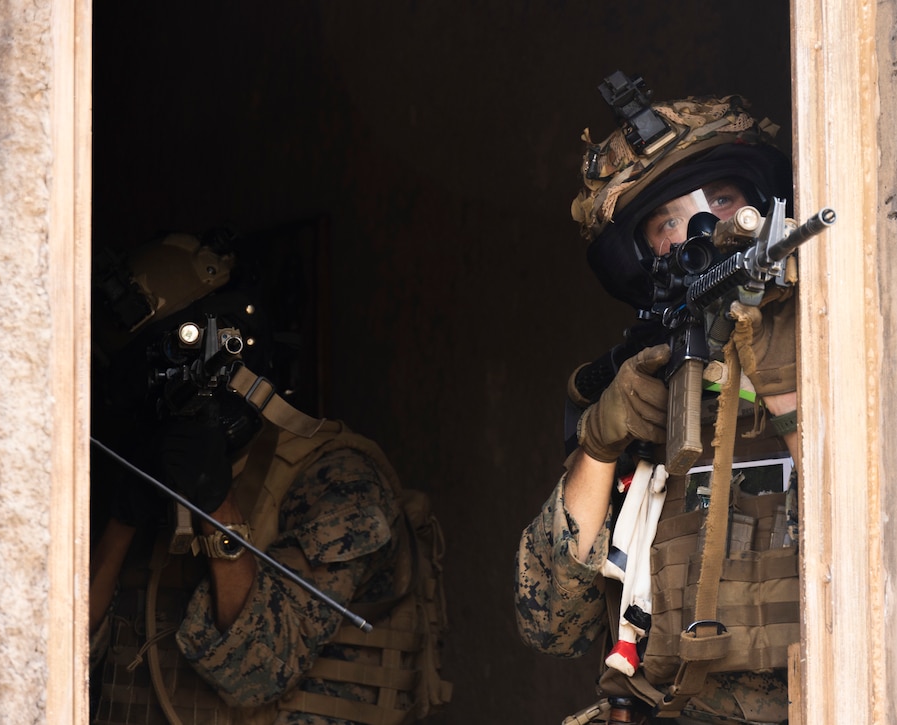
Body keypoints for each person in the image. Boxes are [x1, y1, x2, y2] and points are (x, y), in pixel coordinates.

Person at [515, 80, 803, 724]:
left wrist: (788, 399)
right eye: (668, 222)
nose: (701, 227)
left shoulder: (837, 351)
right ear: (646, 255)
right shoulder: (649, 378)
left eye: (720, 200)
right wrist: (599, 444)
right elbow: (549, 625)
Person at [89, 232, 449, 724]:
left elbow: (257, 672)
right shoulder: (134, 471)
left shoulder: (340, 481)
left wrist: (215, 505)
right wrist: (120, 520)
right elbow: (53, 665)